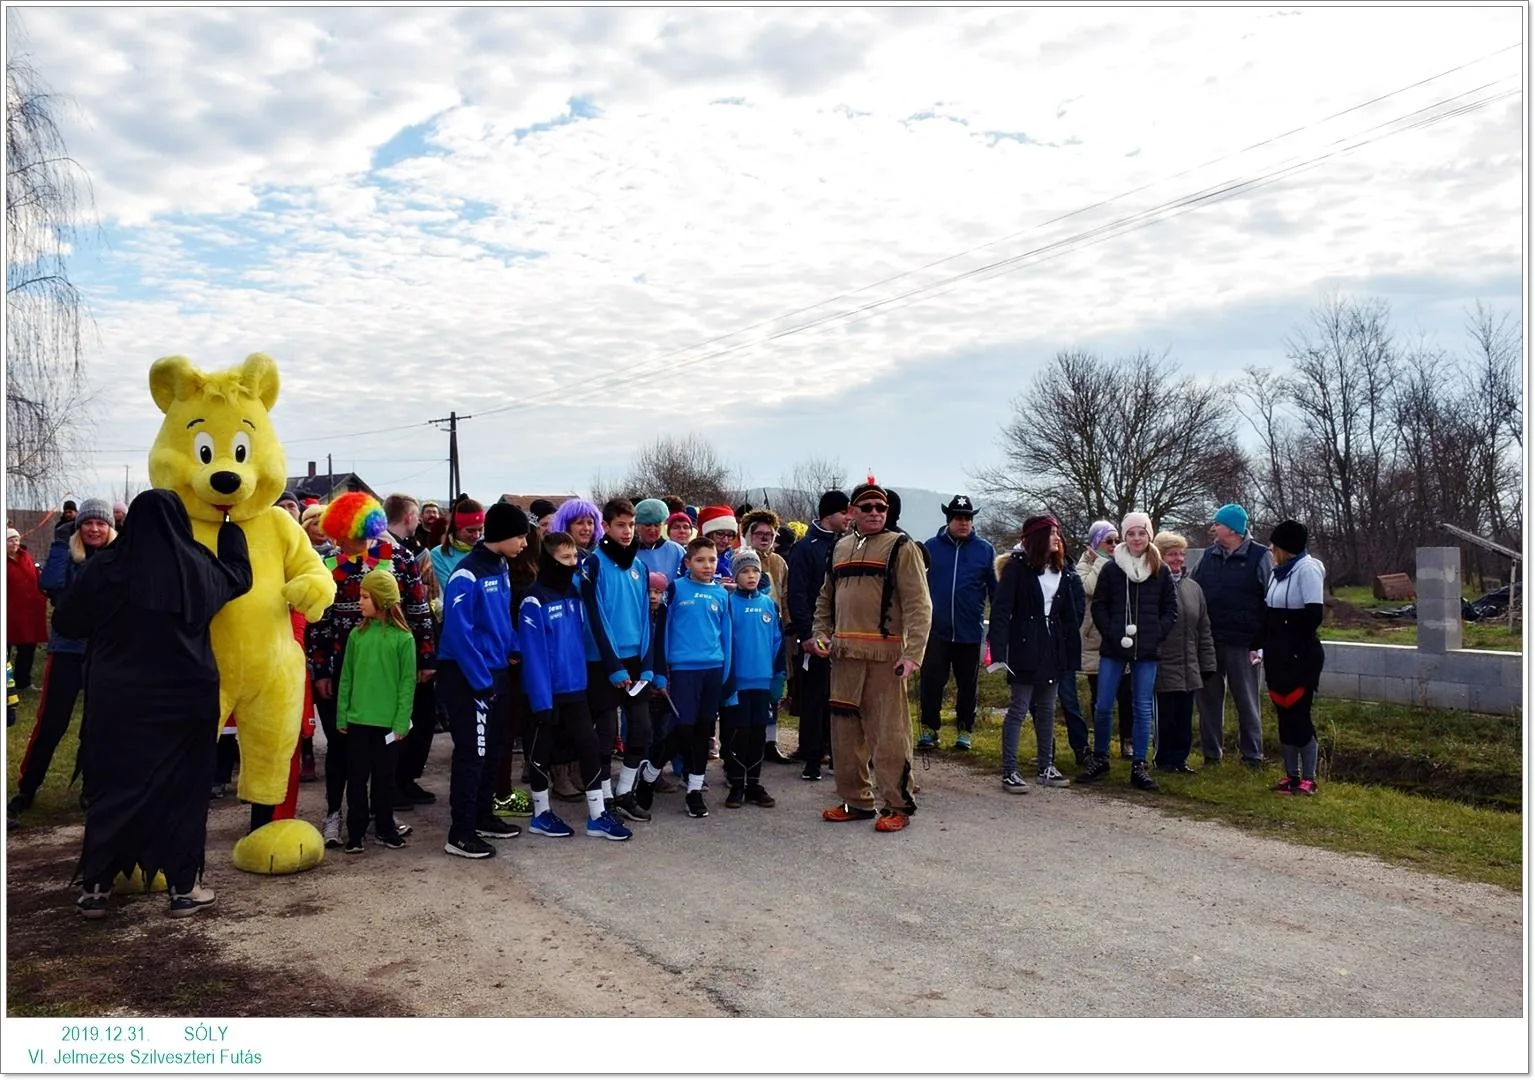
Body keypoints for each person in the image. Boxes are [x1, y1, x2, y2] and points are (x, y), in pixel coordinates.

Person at [52, 489, 251, 919]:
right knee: (185, 789)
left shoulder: (104, 566)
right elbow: (239, 577)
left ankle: (97, 887)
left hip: (118, 697)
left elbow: (66, 620)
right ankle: (184, 887)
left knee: (114, 785)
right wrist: (231, 528)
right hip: (186, 695)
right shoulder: (197, 565)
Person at [306, 494, 435, 848]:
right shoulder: (326, 563)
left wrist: (425, 658)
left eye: (342, 531)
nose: (336, 538)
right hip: (339, 670)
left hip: (387, 671)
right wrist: (320, 670)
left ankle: (382, 815)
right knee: (340, 747)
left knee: (385, 748)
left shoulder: (398, 558)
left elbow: (418, 609)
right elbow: (317, 619)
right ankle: (335, 813)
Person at [809, 477, 932, 832]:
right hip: (844, 655)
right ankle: (856, 801)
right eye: (867, 507)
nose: (876, 512)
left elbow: (919, 605)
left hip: (885, 658)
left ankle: (898, 805)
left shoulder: (901, 546)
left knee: (889, 735)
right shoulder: (840, 547)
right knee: (845, 736)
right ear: (852, 512)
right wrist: (820, 634)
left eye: (881, 507)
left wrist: (913, 655)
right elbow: (825, 599)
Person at [8, 498, 118, 820]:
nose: (94, 529)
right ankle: (28, 787)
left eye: (100, 523)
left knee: (96, 724)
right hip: (67, 649)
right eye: (88, 523)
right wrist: (59, 544)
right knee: (51, 723)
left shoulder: (118, 557)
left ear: (109, 527)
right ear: (78, 526)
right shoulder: (67, 554)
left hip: (104, 652)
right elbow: (50, 584)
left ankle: (91, 788)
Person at [519, 531, 628, 840]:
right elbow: (534, 655)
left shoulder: (575, 595)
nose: (572, 563)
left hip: (576, 688)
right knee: (541, 751)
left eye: (574, 557)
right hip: (546, 694)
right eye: (564, 558)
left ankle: (597, 815)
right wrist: (541, 701)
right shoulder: (533, 599)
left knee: (589, 746)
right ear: (548, 561)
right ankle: (541, 814)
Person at [436, 501, 530, 859]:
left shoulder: (502, 565)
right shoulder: (466, 574)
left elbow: (501, 618)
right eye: (520, 536)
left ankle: (483, 816)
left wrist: (514, 646)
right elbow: (458, 634)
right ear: (502, 535)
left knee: (494, 749)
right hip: (469, 677)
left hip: (497, 671)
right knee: (472, 753)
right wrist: (480, 681)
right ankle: (460, 832)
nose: (524, 543)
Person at [1083, 512, 1178, 791]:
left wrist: (1155, 634)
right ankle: (1100, 757)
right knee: (1103, 705)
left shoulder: (1160, 570)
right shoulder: (1112, 569)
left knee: (1142, 707)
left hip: (1147, 650)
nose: (1137, 538)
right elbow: (1099, 605)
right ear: (1124, 536)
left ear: (1149, 535)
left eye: (1142, 533)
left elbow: (1170, 610)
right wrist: (1111, 630)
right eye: (1131, 534)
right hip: (1114, 647)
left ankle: (1139, 764)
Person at [988, 515, 1083, 792]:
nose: (1058, 537)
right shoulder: (1017, 569)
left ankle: (1046, 766)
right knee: (1019, 708)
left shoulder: (1061, 571)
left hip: (1052, 647)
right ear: (1038, 537)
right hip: (1024, 646)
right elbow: (1002, 610)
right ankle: (1010, 770)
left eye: (1058, 532)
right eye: (1052, 532)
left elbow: (1068, 615)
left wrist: (1068, 648)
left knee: (1047, 709)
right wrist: (999, 650)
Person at [579, 499, 655, 815]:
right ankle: (604, 797)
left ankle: (625, 791)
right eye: (621, 525)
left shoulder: (639, 566)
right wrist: (613, 666)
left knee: (642, 728)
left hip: (635, 661)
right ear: (606, 527)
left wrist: (648, 664)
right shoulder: (592, 565)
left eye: (631, 524)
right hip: (603, 663)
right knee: (606, 733)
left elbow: (645, 618)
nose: (627, 531)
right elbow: (595, 618)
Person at [336, 568, 416, 853]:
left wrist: (400, 723)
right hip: (358, 722)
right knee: (356, 781)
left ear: (382, 601)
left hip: (388, 726)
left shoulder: (404, 640)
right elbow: (347, 677)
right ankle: (355, 833)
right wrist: (342, 714)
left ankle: (385, 828)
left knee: (384, 782)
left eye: (365, 597)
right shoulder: (357, 636)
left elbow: (407, 684)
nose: (360, 602)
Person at [653, 536, 733, 818]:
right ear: (687, 563)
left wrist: (726, 675)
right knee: (682, 728)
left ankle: (695, 791)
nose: (707, 565)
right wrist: (660, 672)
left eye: (712, 560)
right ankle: (651, 771)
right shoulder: (675, 589)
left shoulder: (722, 594)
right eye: (700, 560)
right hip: (682, 670)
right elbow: (661, 630)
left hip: (712, 669)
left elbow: (727, 636)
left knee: (703, 731)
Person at [1192, 503, 1274, 767]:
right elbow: (1194, 589)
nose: (1213, 528)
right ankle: (1211, 755)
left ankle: (1253, 757)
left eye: (1217, 523)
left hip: (1244, 643)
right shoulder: (1208, 556)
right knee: (1208, 701)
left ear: (1232, 528)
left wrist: (1262, 641)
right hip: (1211, 640)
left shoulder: (1261, 556)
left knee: (1247, 700)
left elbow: (1270, 599)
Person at [919, 495, 997, 752]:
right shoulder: (931, 547)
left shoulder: (985, 550)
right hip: (936, 630)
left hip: (970, 630)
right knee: (932, 682)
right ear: (949, 520)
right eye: (959, 518)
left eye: (968, 519)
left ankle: (965, 730)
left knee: (967, 685)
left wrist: (997, 625)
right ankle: (930, 729)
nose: (964, 523)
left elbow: (995, 591)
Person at [1256, 520, 1326, 796]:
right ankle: (1290, 775)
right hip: (1276, 654)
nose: (1272, 548)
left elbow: (1313, 616)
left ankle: (1308, 778)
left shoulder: (1307, 570)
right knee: (1283, 714)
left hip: (1300, 655)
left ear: (1285, 547)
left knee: (1299, 714)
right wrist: (1258, 645)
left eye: (1275, 544)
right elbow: (1267, 614)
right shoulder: (1277, 572)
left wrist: (1294, 649)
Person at [381, 493, 441, 810]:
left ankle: (405, 780)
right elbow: (415, 608)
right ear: (408, 517)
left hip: (409, 646)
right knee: (405, 719)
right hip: (403, 650)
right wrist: (426, 654)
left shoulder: (408, 549)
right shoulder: (392, 553)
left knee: (418, 718)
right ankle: (393, 784)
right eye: (416, 516)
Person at [786, 490, 849, 781]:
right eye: (844, 513)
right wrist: (806, 635)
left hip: (847, 633)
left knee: (843, 698)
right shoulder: (805, 548)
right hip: (817, 634)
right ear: (829, 515)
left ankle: (840, 755)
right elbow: (797, 596)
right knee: (815, 696)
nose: (849, 518)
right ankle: (812, 757)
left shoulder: (849, 544)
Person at [720, 548, 784, 808]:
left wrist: (778, 677)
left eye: (755, 571)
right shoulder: (728, 603)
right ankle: (736, 785)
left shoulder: (769, 604)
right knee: (737, 734)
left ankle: (754, 784)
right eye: (745, 571)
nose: (751, 576)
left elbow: (778, 643)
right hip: (737, 682)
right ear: (735, 575)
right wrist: (726, 680)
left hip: (762, 681)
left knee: (758, 734)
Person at [1152, 532, 1216, 773]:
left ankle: (1180, 759)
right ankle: (1163, 759)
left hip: (1189, 665)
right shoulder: (1153, 584)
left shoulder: (1194, 588)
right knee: (1165, 715)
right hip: (1163, 663)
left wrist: (1207, 663)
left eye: (1181, 553)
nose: (1178, 558)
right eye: (1172, 554)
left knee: (1184, 716)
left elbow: (1204, 628)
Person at [739, 508, 794, 764]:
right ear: (748, 534)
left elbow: (784, 597)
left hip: (774, 630)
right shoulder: (740, 559)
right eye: (758, 533)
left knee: (774, 691)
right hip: (748, 634)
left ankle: (771, 743)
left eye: (769, 534)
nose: (764, 538)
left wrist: (788, 626)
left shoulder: (779, 562)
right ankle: (743, 746)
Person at [1076, 520, 1132, 764]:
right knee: (1100, 696)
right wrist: (1099, 561)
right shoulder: (1084, 565)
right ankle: (1102, 743)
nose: (1114, 545)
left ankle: (1128, 741)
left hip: (1122, 636)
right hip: (1094, 639)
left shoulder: (1124, 562)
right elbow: (1089, 587)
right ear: (1096, 542)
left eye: (1116, 540)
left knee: (1126, 693)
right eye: (1108, 541)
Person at [7, 527, 48, 691]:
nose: (15, 543)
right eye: (10, 540)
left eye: (16, 539)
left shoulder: (26, 557)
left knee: (27, 647)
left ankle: (23, 681)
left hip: (29, 611)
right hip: (9, 611)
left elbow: (36, 578)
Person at [430, 496, 486, 594]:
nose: (476, 535)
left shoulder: (487, 551)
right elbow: (452, 590)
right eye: (470, 531)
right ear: (457, 528)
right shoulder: (439, 554)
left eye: (480, 529)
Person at [634, 498, 686, 582]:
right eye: (648, 525)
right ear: (637, 526)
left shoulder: (677, 551)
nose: (652, 529)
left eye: (657, 525)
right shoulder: (630, 552)